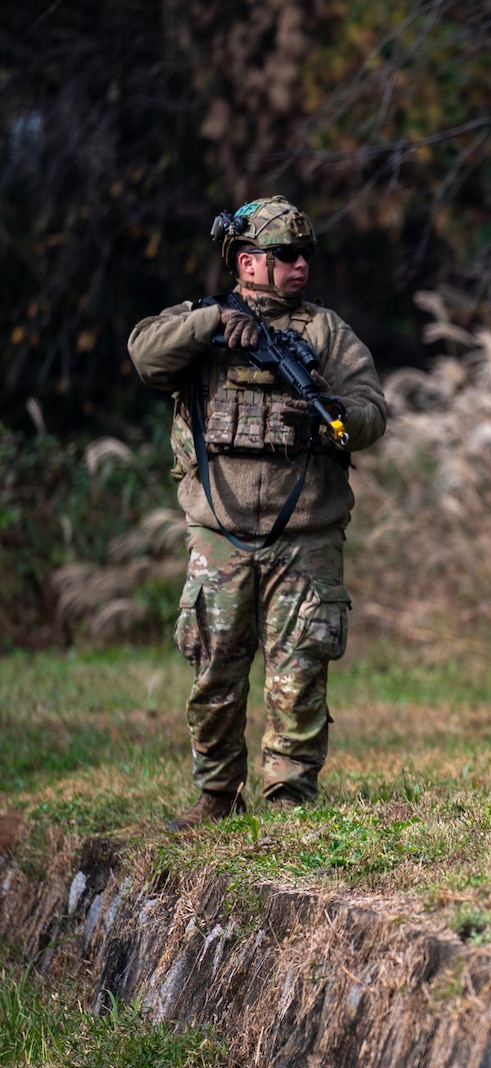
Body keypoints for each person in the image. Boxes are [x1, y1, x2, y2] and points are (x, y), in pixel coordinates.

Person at [128, 197, 388, 828]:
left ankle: (289, 797)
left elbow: (371, 414)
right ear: (247, 262)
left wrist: (328, 418)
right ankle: (216, 795)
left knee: (300, 671)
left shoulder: (325, 333)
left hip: (306, 535)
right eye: (285, 255)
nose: (301, 265)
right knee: (214, 670)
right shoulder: (200, 322)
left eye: (306, 254)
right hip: (219, 534)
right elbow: (145, 355)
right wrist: (212, 324)